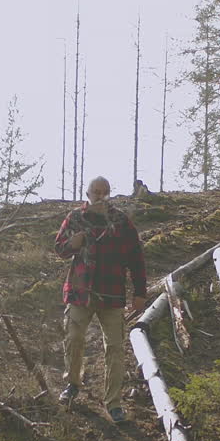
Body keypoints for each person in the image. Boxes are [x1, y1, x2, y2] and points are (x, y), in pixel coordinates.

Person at [53, 176, 147, 423]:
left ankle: (113, 403)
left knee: (115, 348)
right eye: (96, 191)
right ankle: (72, 385)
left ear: (110, 193)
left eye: (105, 192)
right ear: (87, 193)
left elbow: (136, 258)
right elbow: (59, 249)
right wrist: (73, 243)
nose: (100, 196)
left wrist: (140, 292)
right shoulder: (75, 218)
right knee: (73, 339)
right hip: (79, 292)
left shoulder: (121, 222)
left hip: (112, 294)